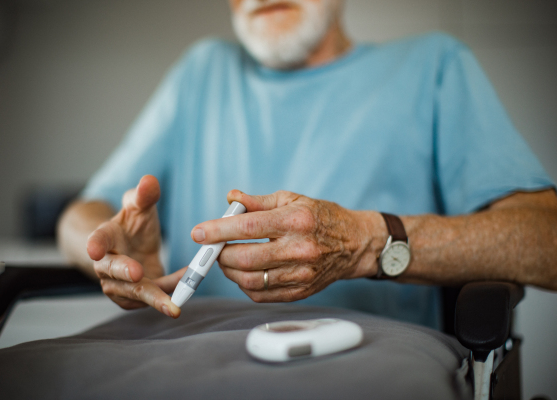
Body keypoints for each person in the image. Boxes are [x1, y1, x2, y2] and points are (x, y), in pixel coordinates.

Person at [58, 0, 557, 329]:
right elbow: (78, 218)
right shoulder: (201, 72)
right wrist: (107, 249)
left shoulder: (434, 65)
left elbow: (547, 241)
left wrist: (367, 242)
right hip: (193, 367)